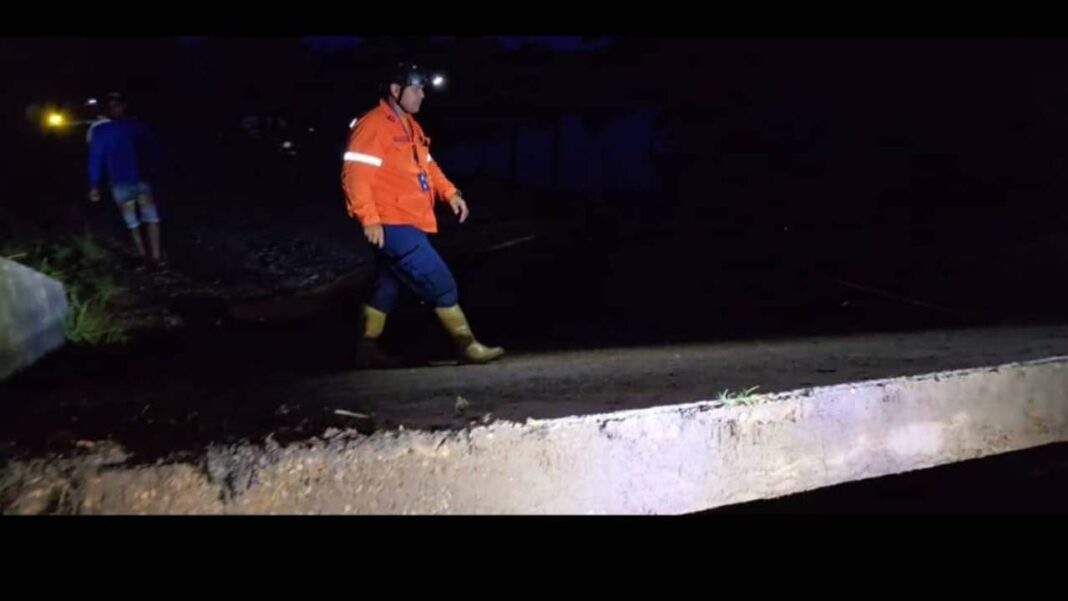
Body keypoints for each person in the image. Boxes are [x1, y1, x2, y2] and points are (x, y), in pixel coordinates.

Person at [341, 63, 503, 367]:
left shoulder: (410, 125)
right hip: (392, 222)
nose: (422, 95)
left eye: (423, 89)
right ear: (395, 90)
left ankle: (365, 348)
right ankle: (467, 346)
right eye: (416, 89)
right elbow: (355, 175)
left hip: (411, 219)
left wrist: (451, 192)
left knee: (389, 284)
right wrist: (369, 218)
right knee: (440, 282)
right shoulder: (372, 125)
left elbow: (427, 166)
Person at [88, 92, 164, 267]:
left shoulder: (123, 127)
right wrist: (93, 185)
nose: (115, 108)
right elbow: (95, 159)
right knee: (138, 221)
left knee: (144, 219)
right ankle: (149, 256)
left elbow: (152, 149)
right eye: (113, 105)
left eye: (117, 104)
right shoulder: (128, 126)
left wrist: (94, 185)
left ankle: (153, 257)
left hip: (136, 183)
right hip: (127, 184)